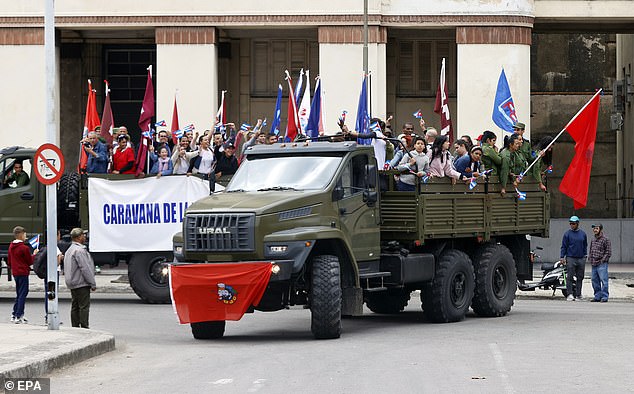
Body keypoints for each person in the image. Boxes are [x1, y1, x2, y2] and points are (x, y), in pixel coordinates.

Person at [64, 228, 96, 328]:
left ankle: (75, 326)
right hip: (81, 282)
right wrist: (92, 283)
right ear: (78, 237)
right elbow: (85, 268)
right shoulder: (79, 251)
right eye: (83, 235)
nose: (85, 236)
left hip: (72, 282)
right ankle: (84, 327)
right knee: (84, 306)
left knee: (75, 306)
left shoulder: (70, 249)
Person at [8, 226, 38, 324]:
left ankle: (14, 314)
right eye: (25, 234)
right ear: (21, 235)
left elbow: (9, 261)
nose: (26, 236)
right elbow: (29, 261)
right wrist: (34, 254)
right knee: (23, 294)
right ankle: (18, 315)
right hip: (23, 272)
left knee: (19, 293)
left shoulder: (11, 246)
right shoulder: (24, 248)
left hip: (15, 272)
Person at [560, 215, 588, 301]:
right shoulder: (567, 234)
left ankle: (579, 294)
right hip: (570, 258)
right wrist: (562, 257)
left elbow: (585, 245)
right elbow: (564, 246)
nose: (572, 225)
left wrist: (585, 255)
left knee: (580, 277)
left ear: (578, 224)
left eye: (574, 223)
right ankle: (570, 294)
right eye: (571, 223)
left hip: (581, 258)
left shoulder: (583, 234)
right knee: (570, 277)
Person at [588, 223, 611, 302]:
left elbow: (608, 252)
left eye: (596, 228)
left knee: (604, 281)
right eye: (594, 228)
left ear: (600, 229)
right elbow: (591, 250)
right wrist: (590, 258)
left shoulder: (606, 239)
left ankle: (604, 297)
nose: (595, 230)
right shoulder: (593, 239)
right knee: (594, 281)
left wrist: (602, 260)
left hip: (602, 264)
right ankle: (597, 296)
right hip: (594, 263)